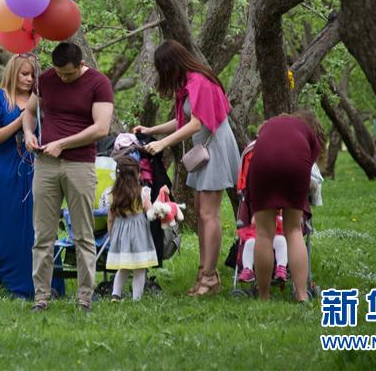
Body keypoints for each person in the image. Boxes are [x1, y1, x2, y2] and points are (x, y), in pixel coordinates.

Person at [134, 40, 240, 296]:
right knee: (203, 214)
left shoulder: (199, 82)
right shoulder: (189, 84)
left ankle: (211, 278)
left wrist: (161, 144)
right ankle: (204, 272)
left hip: (214, 149)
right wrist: (152, 130)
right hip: (203, 150)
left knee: (208, 215)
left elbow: (196, 123)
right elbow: (182, 120)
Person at [23, 42, 114, 313]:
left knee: (84, 234)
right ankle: (41, 296)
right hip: (46, 164)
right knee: (43, 233)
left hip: (79, 165)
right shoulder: (46, 80)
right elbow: (29, 112)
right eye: (60, 73)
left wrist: (63, 144)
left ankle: (85, 296)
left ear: (81, 64)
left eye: (69, 75)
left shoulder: (99, 83)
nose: (63, 78)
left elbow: (101, 128)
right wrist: (28, 133)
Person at [0, 54, 64, 299]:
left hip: (37, 169)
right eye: (24, 74)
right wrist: (21, 121)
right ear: (13, 73)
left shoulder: (41, 100)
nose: (29, 79)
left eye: (32, 75)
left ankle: (46, 282)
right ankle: (11, 281)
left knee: (39, 225)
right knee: (9, 224)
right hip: (6, 171)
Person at [247, 111, 324, 302]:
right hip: (295, 167)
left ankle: (264, 295)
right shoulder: (308, 133)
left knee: (264, 233)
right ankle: (301, 294)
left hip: (263, 166)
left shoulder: (269, 124)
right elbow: (311, 166)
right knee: (293, 230)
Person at [106, 156, 157, 301]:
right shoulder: (143, 193)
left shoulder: (113, 194)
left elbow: (111, 218)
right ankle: (136, 299)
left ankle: (115, 296)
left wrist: (111, 234)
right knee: (139, 268)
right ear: (138, 174)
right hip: (139, 234)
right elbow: (150, 211)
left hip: (120, 233)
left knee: (123, 267)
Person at [237, 213, 288, 283]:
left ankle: (281, 267)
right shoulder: (260, 211)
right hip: (259, 236)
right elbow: (253, 222)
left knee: (281, 241)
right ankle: (247, 269)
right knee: (249, 243)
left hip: (276, 235)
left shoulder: (283, 212)